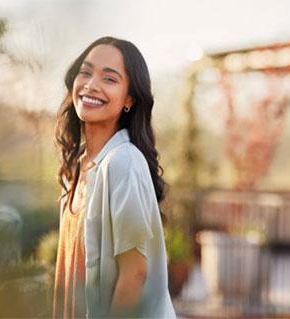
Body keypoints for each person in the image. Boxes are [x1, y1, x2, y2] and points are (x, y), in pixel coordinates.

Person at [52, 36, 176, 318]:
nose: (91, 84)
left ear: (129, 98)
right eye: (85, 72)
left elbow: (134, 274)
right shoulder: (78, 167)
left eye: (109, 79)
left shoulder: (123, 162)